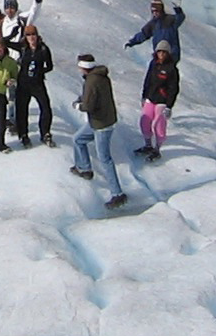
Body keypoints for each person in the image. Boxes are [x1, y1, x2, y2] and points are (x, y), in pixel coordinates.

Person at [69, 55, 127, 209]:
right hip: (102, 120)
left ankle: (117, 194)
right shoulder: (100, 77)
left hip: (101, 124)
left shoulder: (91, 81)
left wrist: (77, 105)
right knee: (78, 139)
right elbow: (93, 95)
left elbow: (89, 105)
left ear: (83, 67)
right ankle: (85, 168)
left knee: (105, 158)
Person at [12, 22, 55, 148]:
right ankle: (23, 134)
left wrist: (40, 71)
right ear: (25, 36)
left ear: (37, 35)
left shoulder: (43, 49)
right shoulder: (22, 47)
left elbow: (50, 66)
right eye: (28, 35)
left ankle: (45, 132)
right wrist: (12, 34)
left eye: (33, 34)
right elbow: (4, 42)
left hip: (37, 83)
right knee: (22, 110)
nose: (31, 37)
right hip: (23, 83)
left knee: (46, 107)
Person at [138, 43, 180, 162]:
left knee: (158, 124)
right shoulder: (154, 64)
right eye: (159, 52)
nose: (161, 54)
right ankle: (148, 145)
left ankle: (157, 148)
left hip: (162, 100)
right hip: (151, 98)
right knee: (144, 121)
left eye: (164, 52)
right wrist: (144, 96)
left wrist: (169, 106)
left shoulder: (171, 69)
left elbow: (174, 88)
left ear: (168, 54)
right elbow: (148, 80)